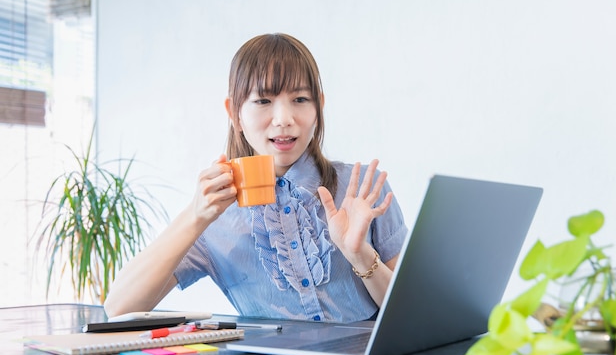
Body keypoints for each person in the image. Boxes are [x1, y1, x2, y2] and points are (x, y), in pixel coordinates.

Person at [104, 33, 408, 323]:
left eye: (300, 99)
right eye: (263, 101)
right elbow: (119, 306)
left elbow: (409, 315)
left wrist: (360, 255)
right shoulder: (214, 219)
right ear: (235, 113)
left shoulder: (364, 189)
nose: (284, 119)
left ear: (319, 107)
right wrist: (194, 216)